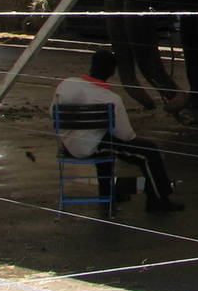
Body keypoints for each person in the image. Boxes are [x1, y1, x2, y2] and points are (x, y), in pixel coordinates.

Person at [52, 49, 185, 212]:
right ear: (112, 71)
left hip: (67, 144)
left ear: (91, 66)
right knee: (149, 152)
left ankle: (107, 193)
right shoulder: (110, 98)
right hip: (89, 148)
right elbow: (126, 135)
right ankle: (157, 199)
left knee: (105, 141)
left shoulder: (67, 84)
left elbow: (53, 113)